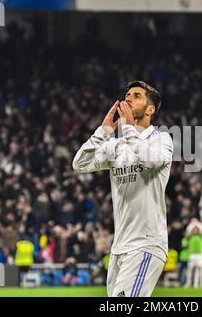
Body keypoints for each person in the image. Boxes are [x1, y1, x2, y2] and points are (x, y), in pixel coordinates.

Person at [72, 81, 173, 297]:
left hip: (146, 243)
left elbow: (150, 160)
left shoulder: (161, 139)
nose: (128, 98)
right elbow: (79, 164)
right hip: (119, 248)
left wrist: (127, 129)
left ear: (150, 109)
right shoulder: (117, 146)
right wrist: (104, 131)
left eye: (137, 95)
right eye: (127, 94)